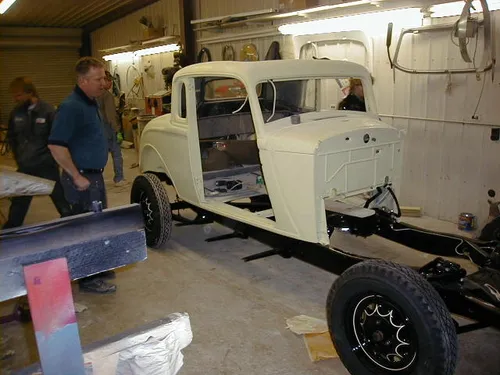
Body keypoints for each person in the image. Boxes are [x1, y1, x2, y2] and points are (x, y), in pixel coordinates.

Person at [48, 57, 116, 294]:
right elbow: (56, 146)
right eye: (98, 79)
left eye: (104, 77)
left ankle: (97, 268)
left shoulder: (90, 102)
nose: (103, 83)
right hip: (81, 180)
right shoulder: (72, 106)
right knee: (85, 229)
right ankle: (88, 279)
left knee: (97, 224)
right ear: (83, 80)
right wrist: (76, 176)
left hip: (93, 177)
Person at [2, 77, 71, 229]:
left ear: (30, 92)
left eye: (18, 95)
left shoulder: (47, 111)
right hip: (25, 165)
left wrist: (54, 158)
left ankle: (71, 223)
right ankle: (11, 229)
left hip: (46, 164)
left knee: (59, 196)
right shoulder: (16, 113)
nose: (15, 99)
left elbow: (57, 138)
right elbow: (12, 138)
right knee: (20, 200)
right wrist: (19, 158)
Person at [97, 71, 129, 187]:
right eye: (109, 81)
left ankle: (96, 179)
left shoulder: (93, 95)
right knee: (116, 154)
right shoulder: (106, 95)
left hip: (97, 129)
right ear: (104, 81)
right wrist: (117, 131)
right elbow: (111, 115)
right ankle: (119, 178)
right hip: (108, 129)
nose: (111, 84)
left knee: (99, 156)